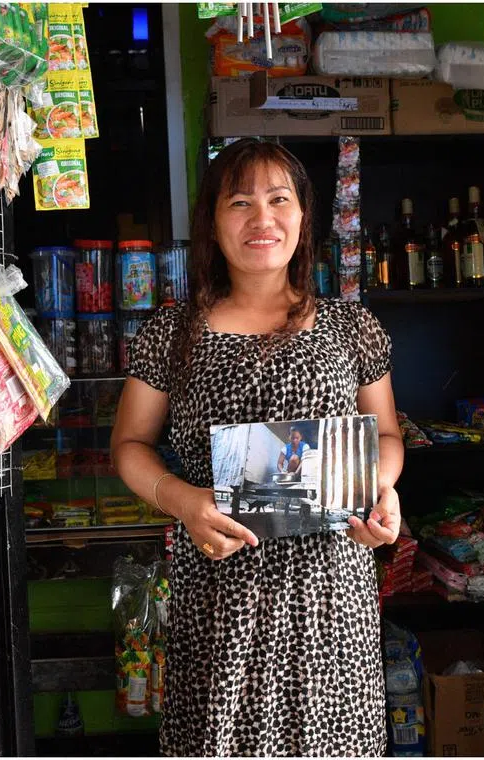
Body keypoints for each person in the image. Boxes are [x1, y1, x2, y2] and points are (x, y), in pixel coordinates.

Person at [110, 138, 403, 756]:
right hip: (220, 591)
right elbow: (130, 445)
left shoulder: (350, 327)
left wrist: (382, 489)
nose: (262, 219)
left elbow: (386, 436)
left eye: (279, 200)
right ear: (213, 226)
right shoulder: (172, 331)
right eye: (239, 202)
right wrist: (183, 499)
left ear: (302, 217)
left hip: (329, 594)